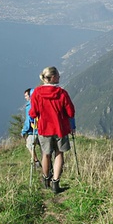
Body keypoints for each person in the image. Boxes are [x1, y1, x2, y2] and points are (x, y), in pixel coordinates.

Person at [28, 66, 75, 194]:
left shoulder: (37, 93)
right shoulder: (62, 93)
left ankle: (45, 178)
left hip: (44, 129)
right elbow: (70, 112)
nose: (59, 77)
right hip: (60, 129)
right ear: (52, 77)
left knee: (46, 154)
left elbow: (33, 113)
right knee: (59, 154)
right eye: (58, 75)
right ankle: (55, 183)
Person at [21, 88, 40, 168]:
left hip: (34, 131)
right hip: (44, 130)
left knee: (29, 145)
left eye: (26, 95)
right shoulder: (41, 103)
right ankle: (49, 165)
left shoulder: (29, 106)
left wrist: (23, 131)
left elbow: (28, 120)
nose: (25, 97)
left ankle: (36, 161)